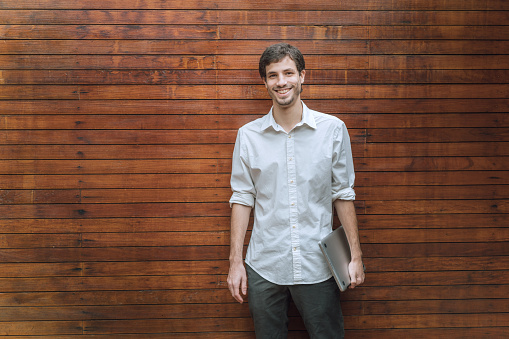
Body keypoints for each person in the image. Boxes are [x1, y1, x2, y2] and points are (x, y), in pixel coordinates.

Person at [227, 42, 365, 339]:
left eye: (288, 72)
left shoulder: (333, 130)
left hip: (317, 265)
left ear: (302, 76)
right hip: (264, 264)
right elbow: (242, 198)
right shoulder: (248, 136)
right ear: (265, 81)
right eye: (273, 75)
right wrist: (235, 263)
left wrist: (355, 256)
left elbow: (343, 193)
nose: (281, 82)